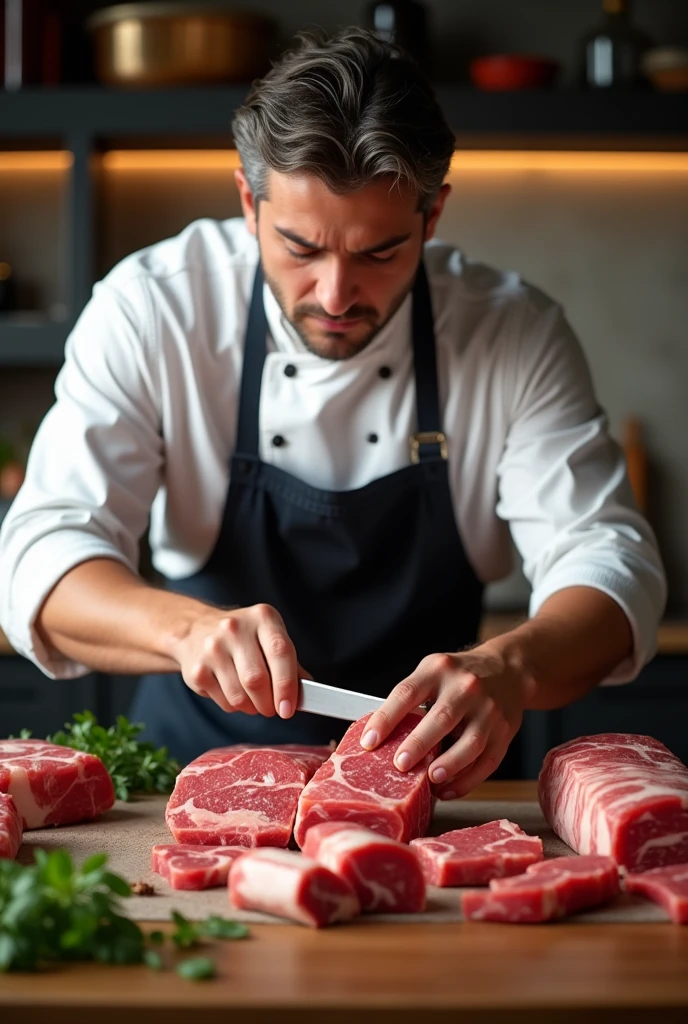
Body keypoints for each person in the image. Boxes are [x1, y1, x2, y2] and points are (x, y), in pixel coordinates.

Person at [0, 29, 666, 795]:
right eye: (301, 247)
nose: (337, 294)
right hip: (197, 779)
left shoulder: (511, 332)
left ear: (433, 215)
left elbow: (611, 563)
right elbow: (39, 559)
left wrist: (510, 667)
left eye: (380, 252)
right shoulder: (155, 308)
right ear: (250, 203)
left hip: (433, 784)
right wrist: (184, 630)